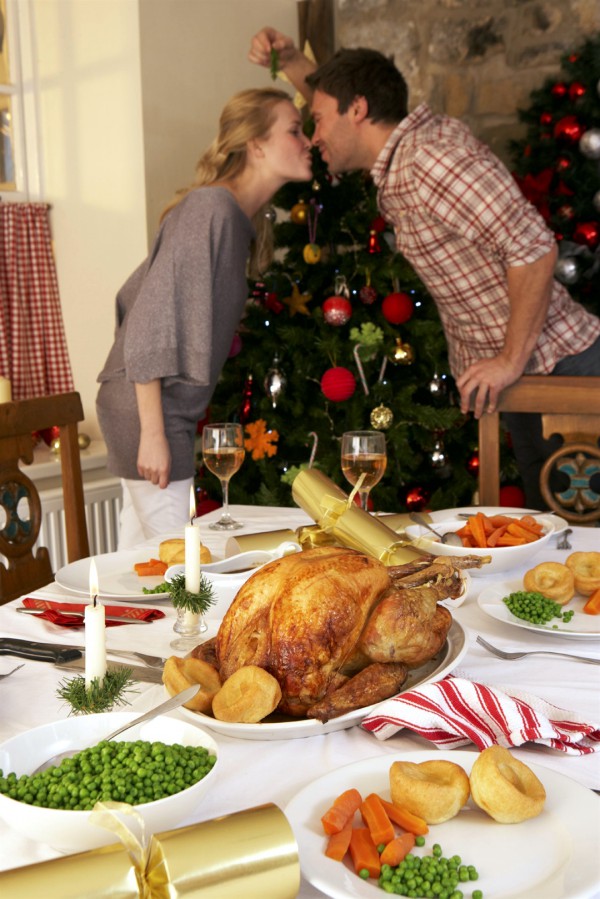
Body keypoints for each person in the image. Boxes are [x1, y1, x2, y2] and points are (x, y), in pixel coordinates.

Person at [249, 28, 600, 509]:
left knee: (582, 543)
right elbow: (337, 101)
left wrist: (509, 360)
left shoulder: (428, 160)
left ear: (358, 110)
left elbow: (534, 248)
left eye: (318, 119)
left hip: (561, 375)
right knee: (563, 538)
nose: (314, 136)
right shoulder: (405, 154)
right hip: (529, 379)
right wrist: (291, 62)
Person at [97, 87, 313, 548]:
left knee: (144, 564)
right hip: (152, 413)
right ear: (256, 145)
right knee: (180, 568)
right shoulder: (210, 209)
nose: (307, 141)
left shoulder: (234, 218)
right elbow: (147, 322)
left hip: (154, 410)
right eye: (294, 131)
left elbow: (133, 300)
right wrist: (154, 433)